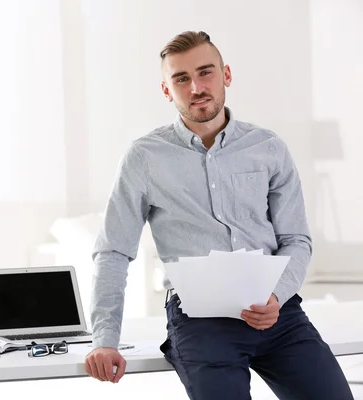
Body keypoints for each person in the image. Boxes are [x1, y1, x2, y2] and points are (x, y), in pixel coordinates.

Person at [84, 31, 354, 400]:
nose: (196, 87)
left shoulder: (268, 147)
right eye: (181, 78)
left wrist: (275, 296)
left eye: (205, 72)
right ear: (167, 90)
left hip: (277, 314)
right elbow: (114, 251)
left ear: (226, 74)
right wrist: (104, 340)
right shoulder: (144, 157)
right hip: (199, 321)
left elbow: (295, 239)